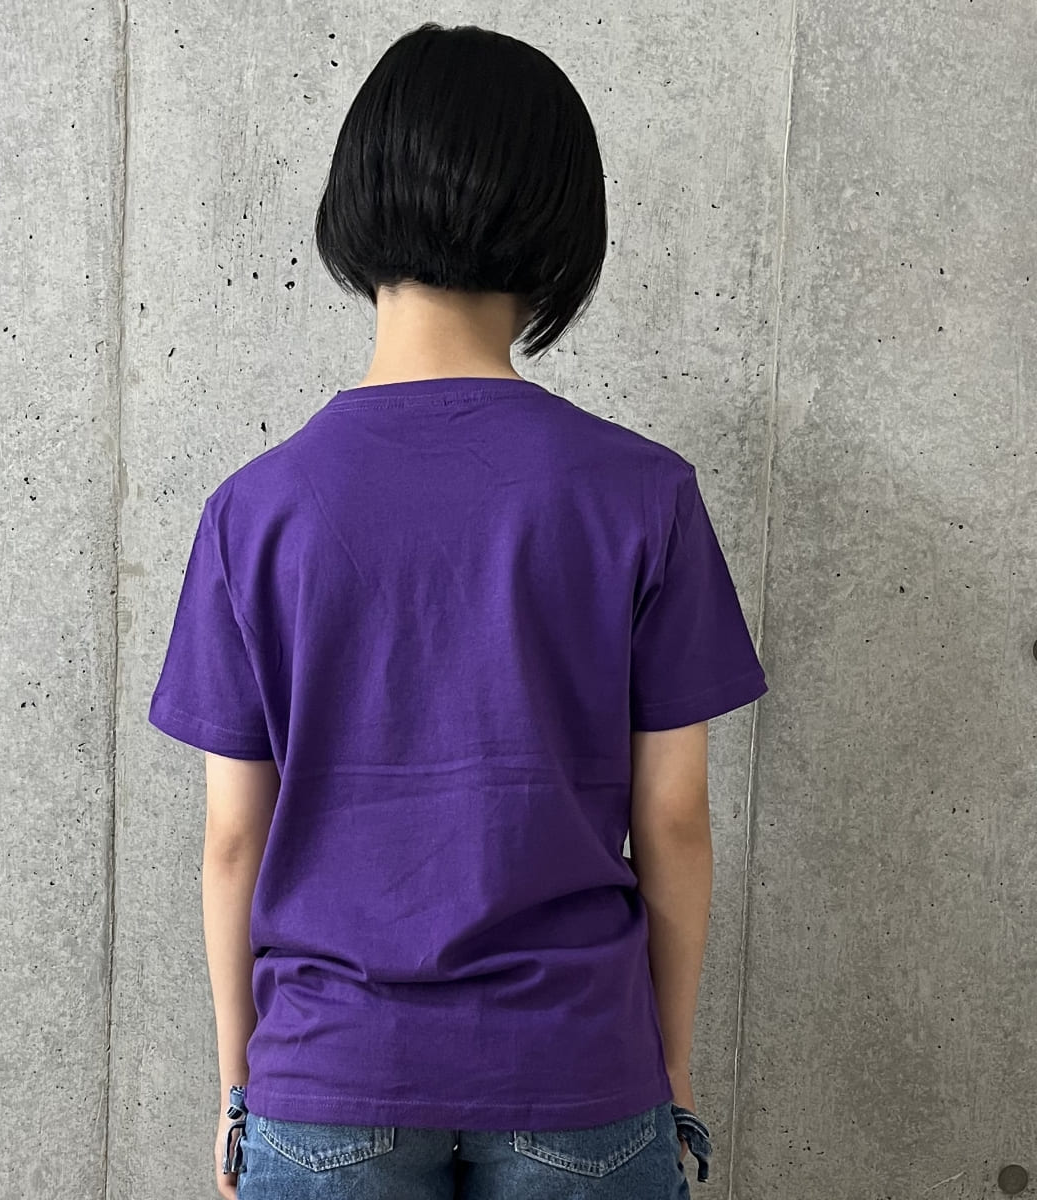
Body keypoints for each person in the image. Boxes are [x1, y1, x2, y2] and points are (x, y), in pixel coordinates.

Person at [148, 20, 767, 1199]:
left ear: (357, 204)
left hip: (329, 1072)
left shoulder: (254, 511)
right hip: (580, 1070)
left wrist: (240, 1088)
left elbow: (234, 839)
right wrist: (669, 1070)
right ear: (562, 228)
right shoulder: (644, 495)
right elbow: (674, 821)